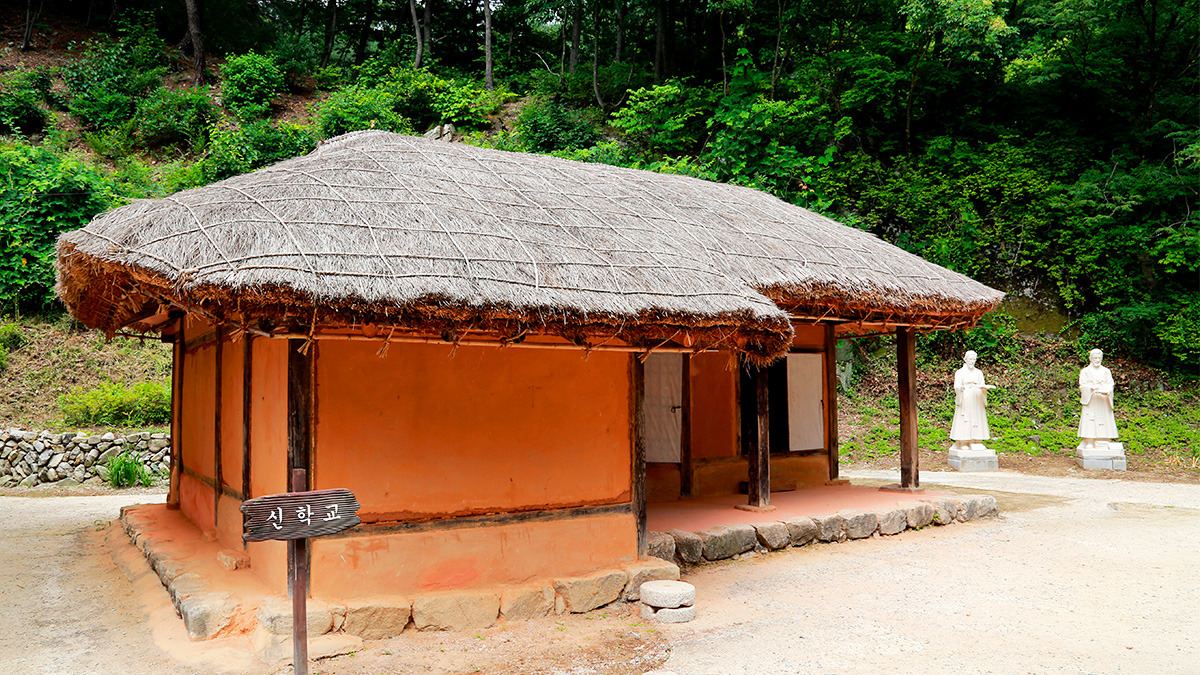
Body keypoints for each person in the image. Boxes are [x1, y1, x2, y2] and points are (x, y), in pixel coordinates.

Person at [950, 350, 994, 447]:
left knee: (977, 417)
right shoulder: (960, 372)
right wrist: (960, 389)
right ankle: (963, 441)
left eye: (974, 359)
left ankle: (976, 440)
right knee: (965, 419)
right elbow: (957, 385)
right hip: (965, 396)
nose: (972, 361)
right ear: (965, 359)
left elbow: (982, 384)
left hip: (977, 396)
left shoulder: (979, 372)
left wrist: (984, 389)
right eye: (970, 359)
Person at [1078, 349, 1118, 449]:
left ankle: (1104, 439)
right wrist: (1091, 388)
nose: (1097, 360)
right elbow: (1082, 385)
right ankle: (1089, 441)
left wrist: (1108, 390)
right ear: (1090, 359)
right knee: (1090, 419)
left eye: (1099, 358)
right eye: (1095, 358)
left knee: (1104, 419)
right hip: (1091, 399)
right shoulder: (1085, 371)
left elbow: (1110, 383)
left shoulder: (1106, 371)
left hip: (1103, 400)